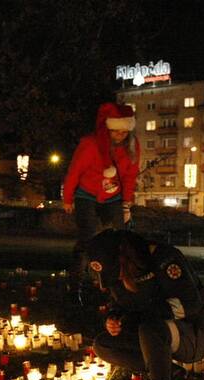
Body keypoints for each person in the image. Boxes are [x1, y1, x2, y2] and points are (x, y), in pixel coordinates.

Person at [88, 229, 204, 380]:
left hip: (193, 335)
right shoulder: (117, 275)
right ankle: (171, 372)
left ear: (125, 257)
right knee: (102, 345)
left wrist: (145, 314)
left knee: (151, 327)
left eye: (116, 271)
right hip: (153, 335)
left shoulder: (164, 258)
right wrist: (115, 317)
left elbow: (191, 303)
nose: (117, 279)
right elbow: (121, 302)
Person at [62, 102, 141, 307]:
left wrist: (126, 204)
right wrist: (68, 198)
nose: (120, 136)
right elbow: (74, 172)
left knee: (120, 239)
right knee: (87, 238)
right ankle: (75, 285)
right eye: (116, 132)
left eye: (125, 132)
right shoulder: (90, 144)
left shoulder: (132, 146)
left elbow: (130, 176)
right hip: (86, 194)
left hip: (113, 196)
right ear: (107, 129)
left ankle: (118, 284)